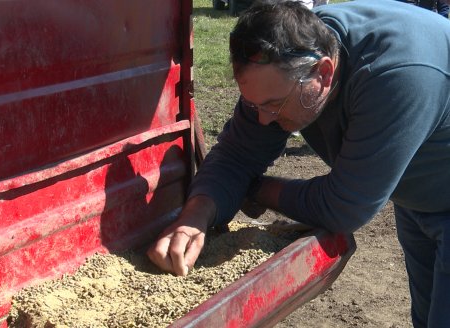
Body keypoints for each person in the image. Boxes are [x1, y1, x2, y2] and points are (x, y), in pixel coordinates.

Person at [147, 0, 450, 327]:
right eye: (255, 106)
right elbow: (236, 156)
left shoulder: (395, 77)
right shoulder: (287, 53)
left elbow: (344, 206)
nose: (262, 120)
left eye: (274, 106)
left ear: (323, 73)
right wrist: (194, 216)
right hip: (420, 191)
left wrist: (256, 189)